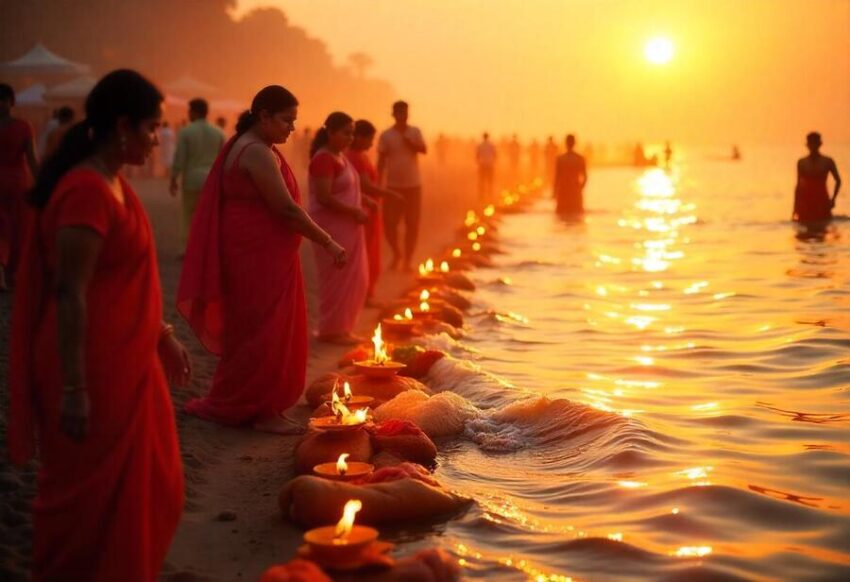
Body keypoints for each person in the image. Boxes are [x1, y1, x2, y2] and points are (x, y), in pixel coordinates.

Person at [8, 69, 188, 581]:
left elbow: (125, 277)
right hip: (87, 365)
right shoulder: (85, 191)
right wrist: (73, 388)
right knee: (85, 502)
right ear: (123, 126)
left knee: (159, 481)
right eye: (153, 128)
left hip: (129, 358)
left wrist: (163, 336)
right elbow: (69, 293)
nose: (157, 140)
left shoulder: (115, 183)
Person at [178, 85, 345, 434]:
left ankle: (254, 403)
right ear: (263, 115)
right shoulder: (255, 152)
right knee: (262, 331)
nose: (292, 128)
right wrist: (328, 242)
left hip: (259, 252)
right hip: (255, 256)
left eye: (294, 121)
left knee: (256, 329)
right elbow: (285, 208)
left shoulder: (255, 147)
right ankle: (258, 409)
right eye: (286, 120)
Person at [309, 112, 369, 344]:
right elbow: (323, 197)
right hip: (331, 226)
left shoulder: (340, 157)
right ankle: (331, 330)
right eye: (346, 133)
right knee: (336, 276)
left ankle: (342, 328)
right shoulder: (323, 158)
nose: (350, 138)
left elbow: (349, 189)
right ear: (331, 132)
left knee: (357, 278)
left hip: (348, 224)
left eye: (352, 133)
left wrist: (365, 202)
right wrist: (353, 211)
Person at [346, 119, 403, 307]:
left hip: (370, 208)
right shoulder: (354, 156)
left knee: (371, 252)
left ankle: (366, 294)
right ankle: (364, 295)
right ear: (359, 137)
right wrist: (389, 193)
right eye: (370, 139)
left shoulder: (361, 155)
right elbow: (365, 185)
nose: (371, 143)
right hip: (364, 210)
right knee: (366, 254)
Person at [170, 98, 225, 251]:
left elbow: (180, 157)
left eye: (189, 111)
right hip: (211, 180)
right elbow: (224, 158)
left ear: (194, 112)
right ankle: (208, 246)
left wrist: (174, 177)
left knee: (188, 214)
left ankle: (188, 248)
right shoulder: (219, 132)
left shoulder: (186, 131)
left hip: (192, 179)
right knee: (209, 215)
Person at [377, 100, 426, 270]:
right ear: (393, 114)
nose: (402, 116)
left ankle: (407, 260)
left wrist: (411, 143)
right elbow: (381, 159)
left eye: (404, 112)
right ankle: (396, 253)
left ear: (408, 114)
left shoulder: (415, 131)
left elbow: (424, 149)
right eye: (399, 113)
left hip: (413, 185)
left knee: (412, 224)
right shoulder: (386, 135)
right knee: (389, 224)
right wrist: (378, 182)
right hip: (393, 186)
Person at [0, 82, 38, 290]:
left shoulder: (24, 127)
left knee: (6, 229)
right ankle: (10, 274)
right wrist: (43, 184)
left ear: (10, 102)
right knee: (16, 228)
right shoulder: (23, 126)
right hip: (17, 183)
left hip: (14, 185)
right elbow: (32, 159)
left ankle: (5, 273)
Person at [793, 132, 841, 223]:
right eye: (811, 143)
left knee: (823, 227)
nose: (813, 146)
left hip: (822, 199)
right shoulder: (802, 163)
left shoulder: (827, 161)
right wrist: (795, 208)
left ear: (820, 144)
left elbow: (838, 181)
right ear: (807, 145)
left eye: (815, 143)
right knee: (804, 230)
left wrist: (833, 199)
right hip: (806, 201)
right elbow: (798, 186)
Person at [553, 133, 587, 216]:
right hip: (574, 189)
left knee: (561, 214)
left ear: (566, 143)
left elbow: (557, 178)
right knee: (577, 214)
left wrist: (554, 192)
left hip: (564, 190)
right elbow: (585, 177)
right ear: (574, 143)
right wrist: (580, 188)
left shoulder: (561, 159)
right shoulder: (579, 158)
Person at [476, 132, 497, 201]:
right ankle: (489, 194)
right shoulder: (491, 145)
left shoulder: (480, 145)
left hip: (482, 164)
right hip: (490, 164)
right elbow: (495, 154)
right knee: (489, 180)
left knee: (482, 180)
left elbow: (477, 155)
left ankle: (481, 195)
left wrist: (479, 162)